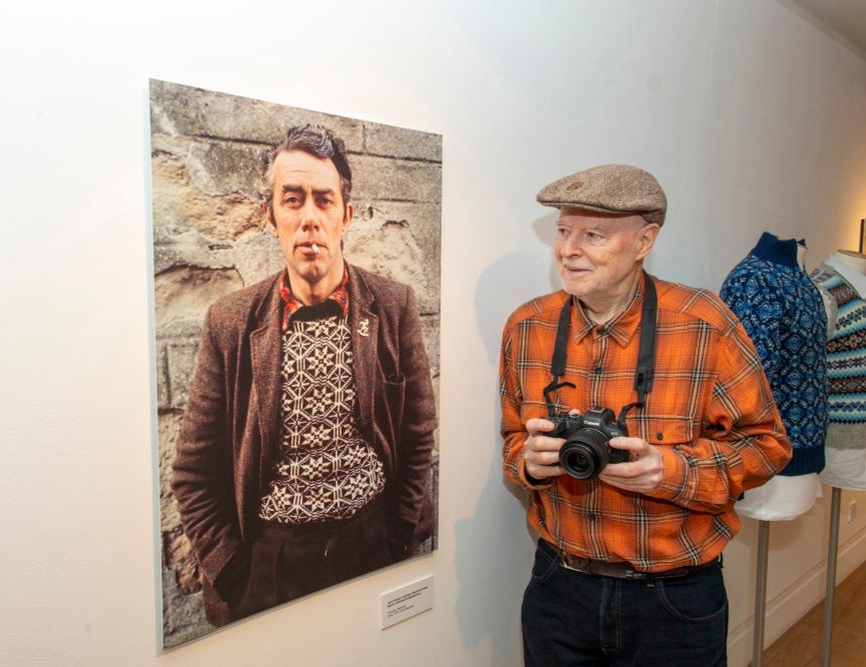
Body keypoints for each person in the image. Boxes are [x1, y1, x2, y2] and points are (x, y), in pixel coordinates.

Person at [499, 164, 792, 666]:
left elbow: (767, 445)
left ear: (644, 241)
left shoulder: (704, 324)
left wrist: (670, 471)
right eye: (564, 231)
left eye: (592, 235)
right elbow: (511, 441)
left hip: (673, 600)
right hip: (557, 588)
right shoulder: (527, 327)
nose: (568, 249)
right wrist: (529, 463)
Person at [172, 125, 437, 626]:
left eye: (324, 200)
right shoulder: (231, 323)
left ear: (346, 216)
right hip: (272, 564)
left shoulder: (393, 306)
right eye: (292, 201)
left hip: (373, 543)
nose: (309, 219)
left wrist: (400, 532)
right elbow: (194, 473)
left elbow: (418, 432)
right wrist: (232, 573)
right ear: (270, 217)